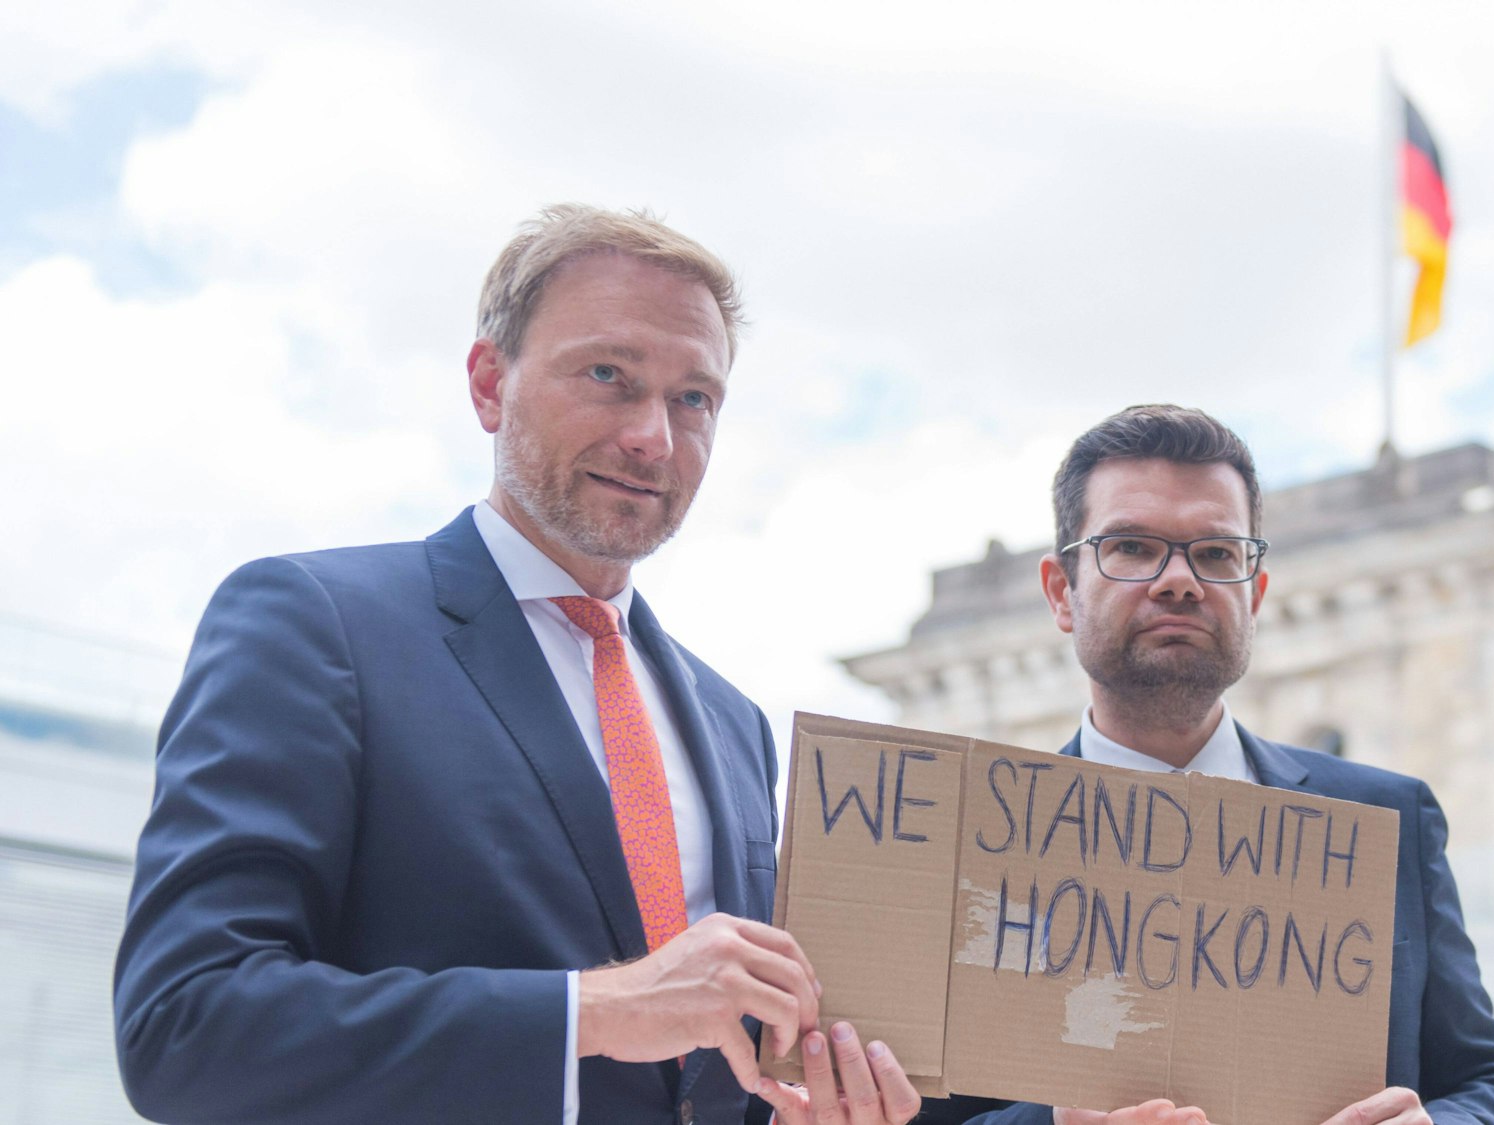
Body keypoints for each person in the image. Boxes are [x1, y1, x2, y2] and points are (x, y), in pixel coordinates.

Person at [114, 204, 921, 1125]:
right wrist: (595, 1011)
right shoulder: (314, 623)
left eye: (694, 397)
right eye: (610, 374)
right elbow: (184, 1026)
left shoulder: (735, 723)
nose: (654, 435)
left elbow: (705, 1079)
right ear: (490, 383)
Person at [924, 405, 1494, 1125]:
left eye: (1216, 554)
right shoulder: (965, 850)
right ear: (1062, 591)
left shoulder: (1389, 820)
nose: (1178, 580)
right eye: (1130, 546)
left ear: (1257, 593)